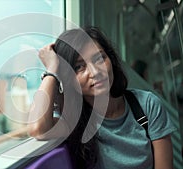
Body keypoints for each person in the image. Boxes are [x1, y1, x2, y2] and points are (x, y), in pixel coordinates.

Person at [28, 26, 176, 169]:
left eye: (99, 59)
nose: (94, 72)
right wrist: (52, 69)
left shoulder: (147, 105)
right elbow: (38, 128)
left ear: (111, 60)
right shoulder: (74, 121)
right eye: (79, 67)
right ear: (68, 78)